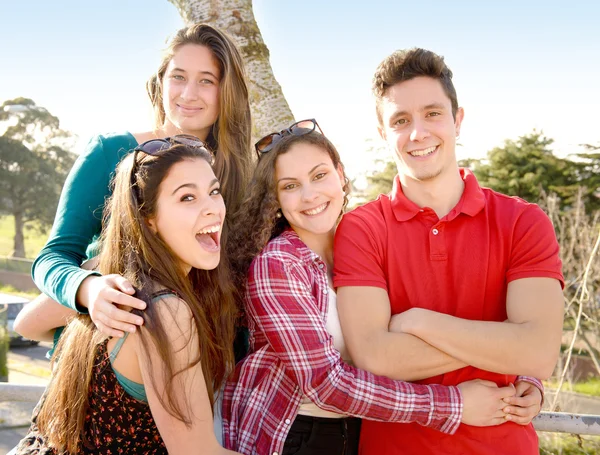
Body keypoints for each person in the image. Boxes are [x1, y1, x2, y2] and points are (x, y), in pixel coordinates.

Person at [222, 120, 543, 455]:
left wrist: (522, 375)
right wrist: (456, 404)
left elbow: (450, 319)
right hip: (296, 432)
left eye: (319, 175)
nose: (309, 195)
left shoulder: (365, 240)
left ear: (340, 175)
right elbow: (323, 385)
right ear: (275, 198)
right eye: (290, 186)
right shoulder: (278, 265)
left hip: (364, 430)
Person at [333, 48, 564, 454]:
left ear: (457, 120)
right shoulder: (361, 227)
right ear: (383, 132)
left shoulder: (522, 222)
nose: (417, 133)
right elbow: (374, 358)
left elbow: (539, 353)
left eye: (433, 113)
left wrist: (419, 322)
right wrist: (504, 348)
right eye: (400, 121)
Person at [18, 23, 252, 341]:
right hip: (104, 349)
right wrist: (88, 288)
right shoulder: (110, 151)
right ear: (161, 82)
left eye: (206, 81)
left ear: (227, 91)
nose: (188, 94)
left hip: (195, 357)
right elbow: (52, 258)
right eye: (178, 77)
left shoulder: (239, 177)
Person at [16, 140, 240, 454]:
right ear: (149, 219)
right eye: (187, 197)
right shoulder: (166, 310)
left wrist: (88, 297)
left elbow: (26, 324)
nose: (212, 208)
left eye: (214, 191)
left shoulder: (107, 276)